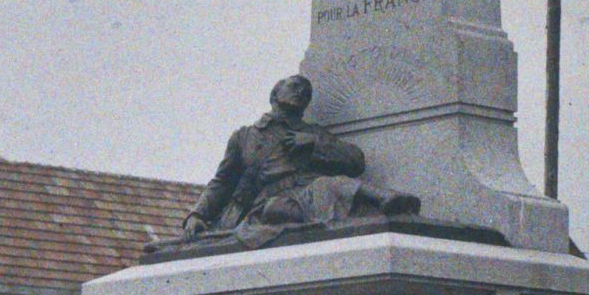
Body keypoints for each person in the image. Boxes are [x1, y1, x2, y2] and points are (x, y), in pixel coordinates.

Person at [180, 74, 419, 246]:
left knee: (331, 184)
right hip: (266, 203)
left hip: (308, 196)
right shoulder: (245, 136)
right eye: (294, 86)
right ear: (275, 94)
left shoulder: (312, 133)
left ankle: (389, 200)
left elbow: (356, 161)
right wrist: (197, 215)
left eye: (306, 91)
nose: (301, 91)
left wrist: (315, 143)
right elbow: (222, 182)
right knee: (286, 205)